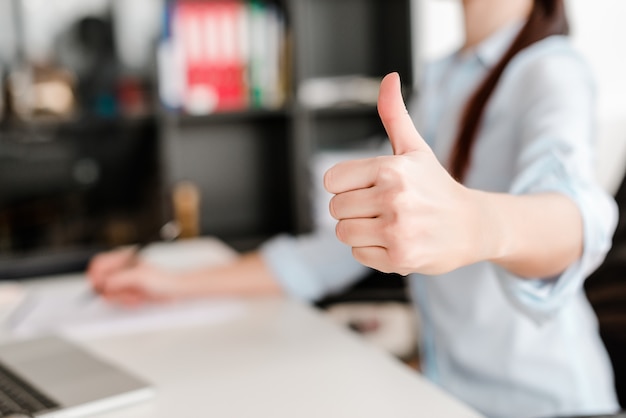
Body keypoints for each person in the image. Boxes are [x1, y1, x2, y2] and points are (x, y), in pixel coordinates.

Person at [87, 0, 620, 416]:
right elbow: (336, 249)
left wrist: (476, 224)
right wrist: (174, 284)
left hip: (549, 404)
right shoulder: (443, 79)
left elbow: (577, 218)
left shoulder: (552, 70)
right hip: (450, 396)